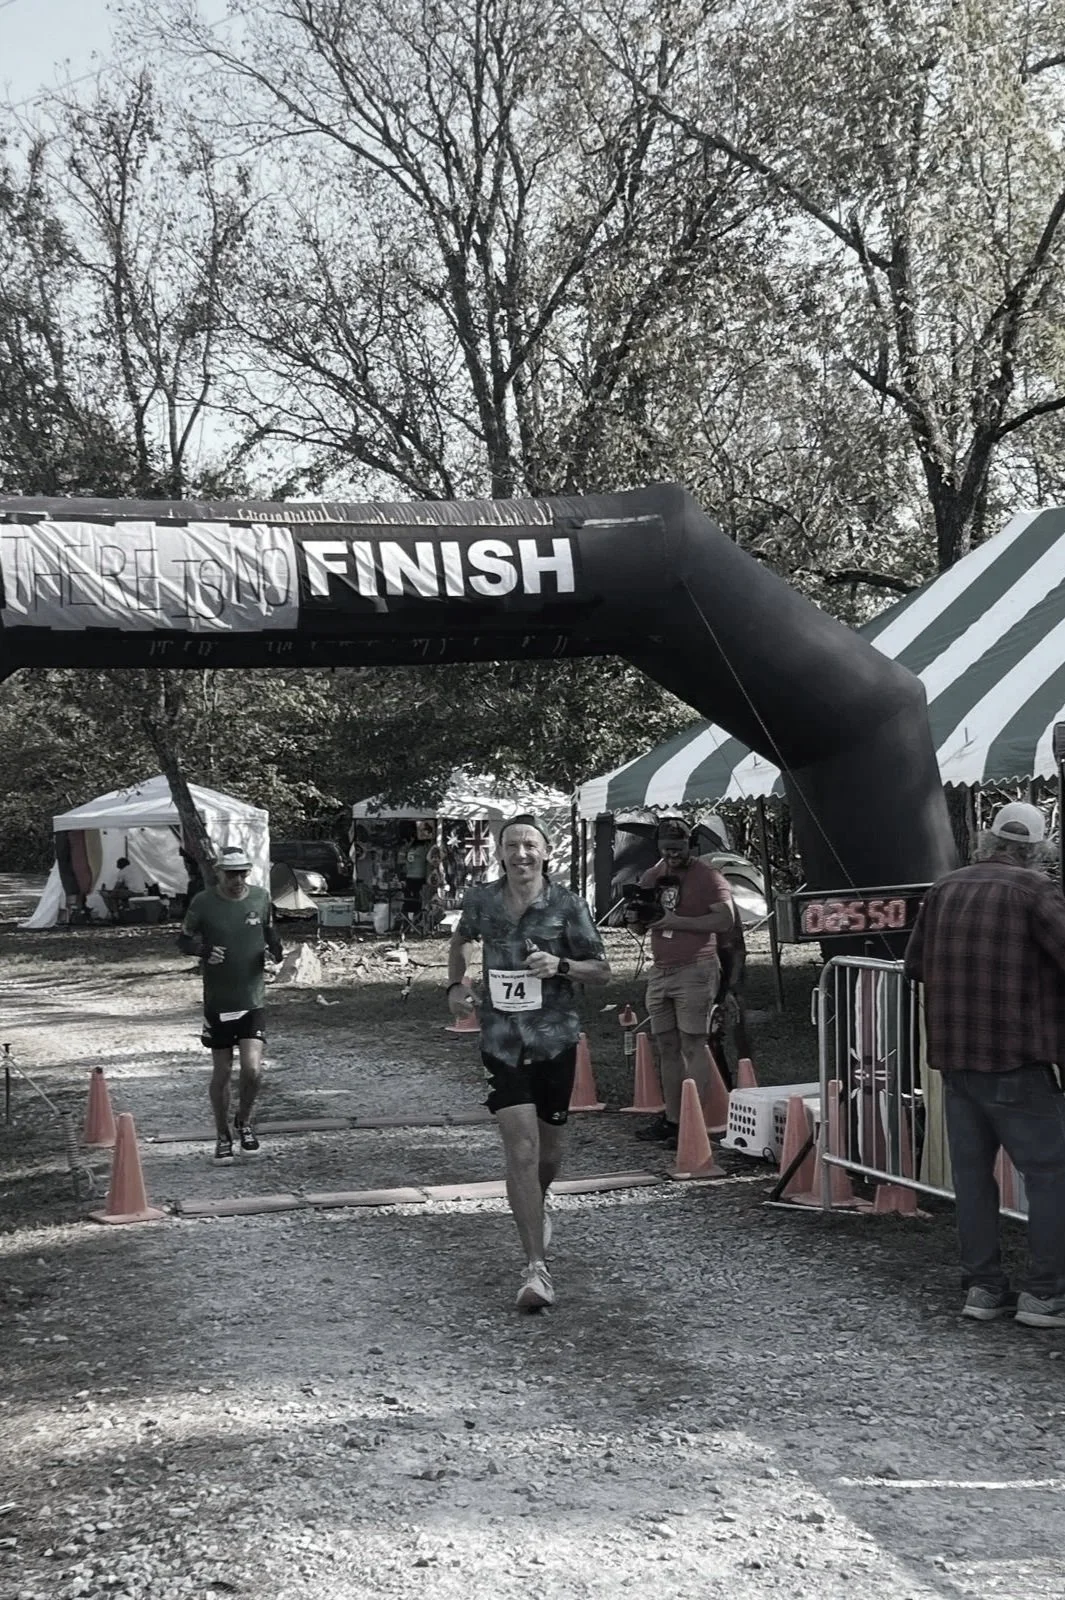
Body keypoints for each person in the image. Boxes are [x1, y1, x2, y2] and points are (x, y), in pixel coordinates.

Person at [903, 801, 1065, 1328]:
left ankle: (982, 1290)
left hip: (955, 1061)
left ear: (987, 840)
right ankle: (1045, 1295)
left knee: (972, 1181)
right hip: (1018, 1058)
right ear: (1038, 850)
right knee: (1049, 1177)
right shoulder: (1037, 892)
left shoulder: (943, 889)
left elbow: (915, 967)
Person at [448, 814, 610, 1311]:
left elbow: (602, 970)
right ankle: (537, 1270)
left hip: (555, 1039)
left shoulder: (567, 905)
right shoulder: (480, 901)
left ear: (545, 853)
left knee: (548, 1154)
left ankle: (535, 1205)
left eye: (530, 846)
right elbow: (460, 942)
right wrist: (457, 985)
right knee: (520, 1148)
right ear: (500, 853)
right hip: (500, 1039)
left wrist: (560, 965)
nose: (521, 854)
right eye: (512, 845)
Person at [630, 818, 735, 1147]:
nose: (672, 855)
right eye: (665, 849)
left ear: (691, 844)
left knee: (693, 1044)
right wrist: (636, 920)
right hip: (662, 969)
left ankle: (696, 1122)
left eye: (678, 849)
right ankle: (674, 1120)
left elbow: (726, 918)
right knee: (667, 1046)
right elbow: (643, 926)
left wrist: (679, 921)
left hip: (697, 966)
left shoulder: (708, 876)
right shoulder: (653, 875)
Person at [178, 845, 283, 1160]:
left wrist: (275, 954)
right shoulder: (204, 902)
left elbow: (271, 933)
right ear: (218, 873)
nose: (237, 880)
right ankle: (222, 1133)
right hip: (219, 1001)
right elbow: (183, 940)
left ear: (248, 873)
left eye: (242, 873)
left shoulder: (261, 897)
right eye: (230, 874)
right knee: (222, 1072)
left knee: (252, 1070)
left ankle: (245, 1121)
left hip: (252, 999)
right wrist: (205, 951)